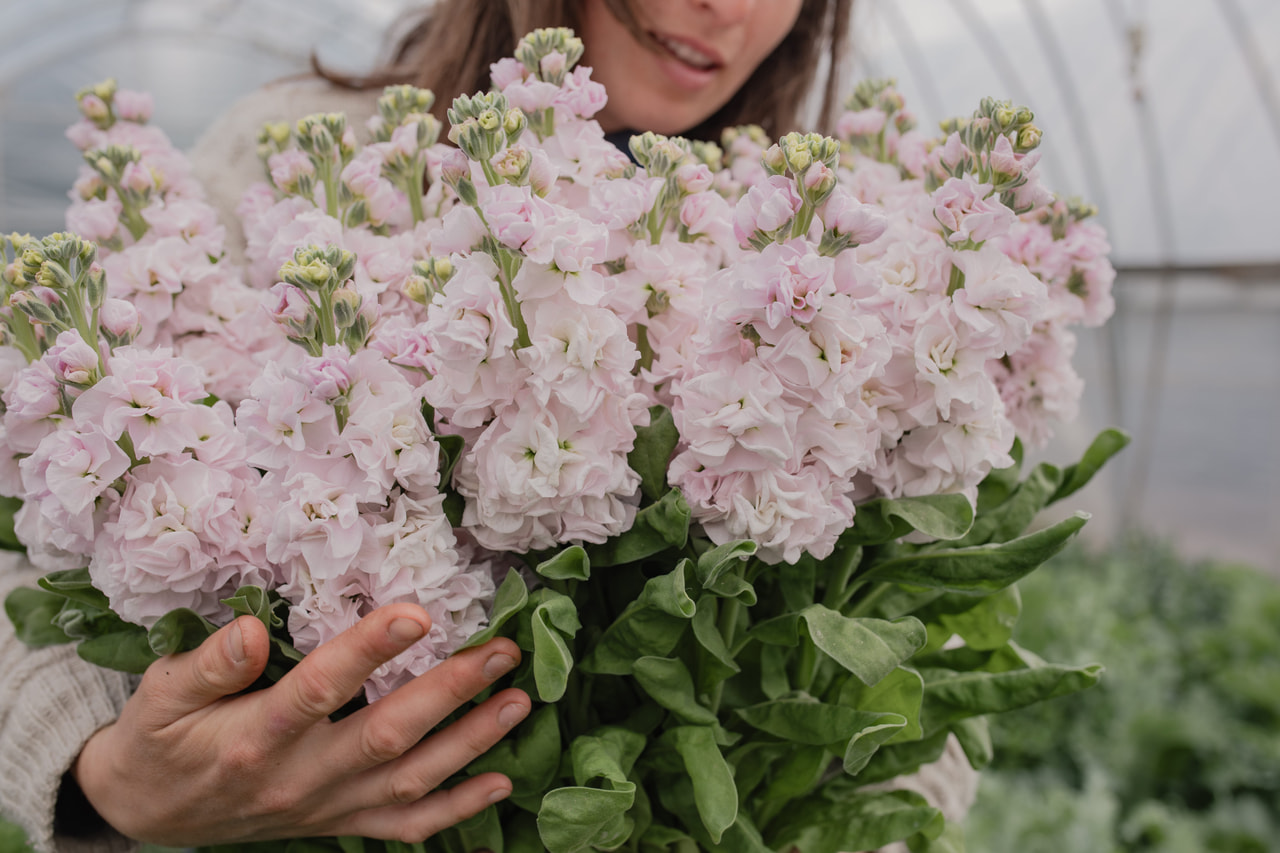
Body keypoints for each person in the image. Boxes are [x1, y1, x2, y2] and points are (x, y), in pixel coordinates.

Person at [0, 1, 974, 851]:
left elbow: (922, 660)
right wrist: (96, 775)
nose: (723, 5)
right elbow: (29, 561)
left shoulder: (843, 227)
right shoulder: (293, 154)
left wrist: (857, 820)